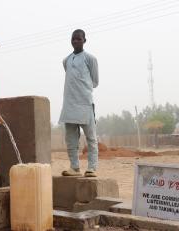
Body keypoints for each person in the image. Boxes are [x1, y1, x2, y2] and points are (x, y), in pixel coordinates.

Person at [59, 29, 99, 177]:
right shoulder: (66, 60)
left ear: (84, 40)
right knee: (70, 139)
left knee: (91, 137)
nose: (75, 41)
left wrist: (83, 90)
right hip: (69, 104)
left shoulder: (90, 59)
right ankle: (74, 168)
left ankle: (92, 168)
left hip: (85, 104)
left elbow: (95, 82)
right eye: (73, 39)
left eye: (78, 39)